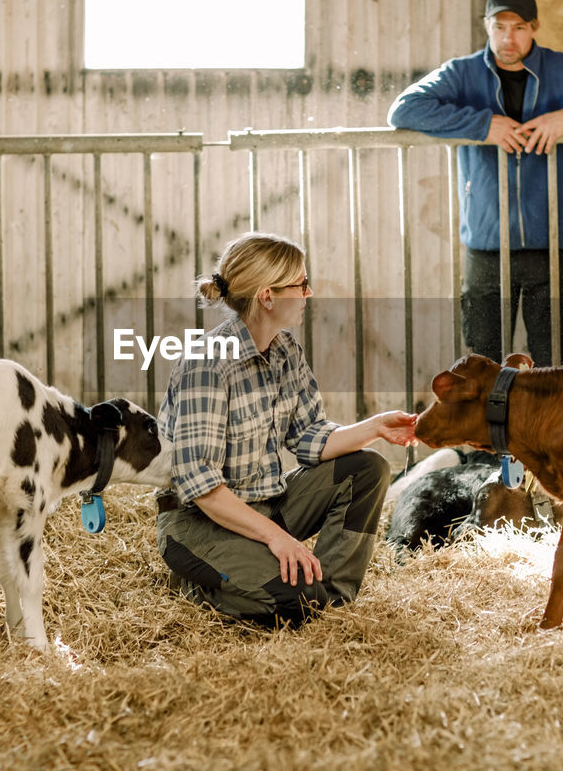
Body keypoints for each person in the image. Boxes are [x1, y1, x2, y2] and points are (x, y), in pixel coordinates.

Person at [155, 231, 417, 627]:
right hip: (199, 523)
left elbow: (310, 438)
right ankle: (198, 583)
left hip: (266, 504)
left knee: (368, 469)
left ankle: (330, 606)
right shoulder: (207, 363)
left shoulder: (286, 350)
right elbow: (201, 487)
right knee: (293, 602)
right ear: (267, 296)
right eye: (301, 284)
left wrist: (376, 427)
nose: (308, 294)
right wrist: (279, 539)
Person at [388, 0, 563, 365]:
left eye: (519, 27)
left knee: (554, 361)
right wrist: (482, 126)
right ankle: (496, 427)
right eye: (499, 27)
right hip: (487, 242)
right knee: (485, 363)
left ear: (535, 27)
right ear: (486, 27)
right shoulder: (462, 74)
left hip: (554, 241)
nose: (508, 38)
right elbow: (403, 110)